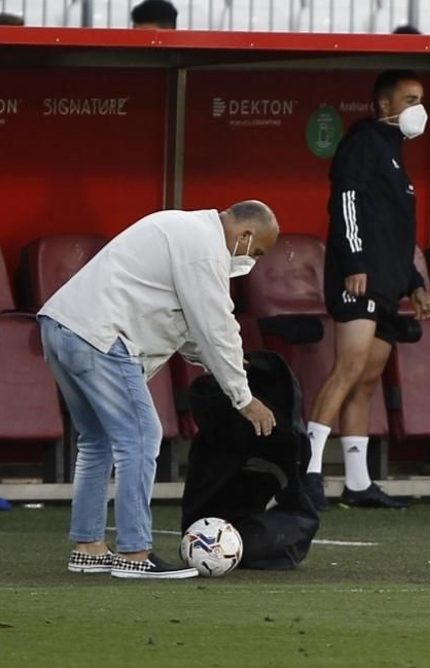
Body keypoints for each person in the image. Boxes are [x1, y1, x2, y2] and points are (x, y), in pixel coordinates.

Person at [37, 202, 280, 579]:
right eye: (258, 252)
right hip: (100, 336)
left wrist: (223, 364)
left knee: (97, 440)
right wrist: (243, 397)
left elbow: (187, 327)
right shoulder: (205, 249)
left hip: (61, 327)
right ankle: (135, 554)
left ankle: (88, 548)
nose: (254, 262)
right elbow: (217, 327)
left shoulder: (183, 227)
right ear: (245, 236)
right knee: (141, 435)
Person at [305, 70, 430, 512]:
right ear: (384, 105)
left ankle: (358, 483)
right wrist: (355, 262)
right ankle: (309, 472)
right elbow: (345, 201)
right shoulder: (363, 142)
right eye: (410, 98)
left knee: (367, 379)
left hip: (388, 283)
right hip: (356, 276)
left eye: (421, 99)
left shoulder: (396, 154)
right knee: (349, 367)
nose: (419, 108)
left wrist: (415, 283)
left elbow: (397, 231)